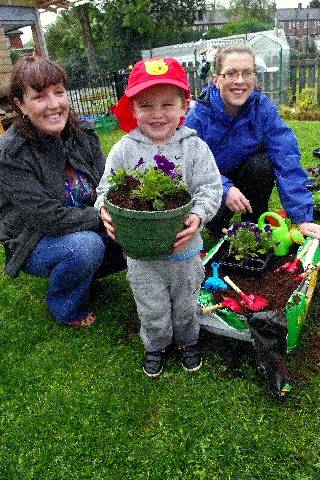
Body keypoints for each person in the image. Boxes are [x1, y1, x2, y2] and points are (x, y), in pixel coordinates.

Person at [95, 57, 222, 377]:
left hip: (185, 248)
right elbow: (105, 189)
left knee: (185, 302)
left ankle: (187, 342)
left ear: (184, 106)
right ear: (133, 108)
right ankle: (156, 345)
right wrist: (104, 209)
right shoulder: (124, 150)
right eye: (146, 104)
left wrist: (198, 214)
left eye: (168, 103)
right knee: (151, 304)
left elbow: (210, 187)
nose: (157, 113)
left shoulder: (195, 148)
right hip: (140, 254)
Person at [0, 56, 126, 327]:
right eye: (40, 97)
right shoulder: (11, 153)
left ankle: (87, 274)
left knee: (139, 230)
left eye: (59, 92)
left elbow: (107, 186)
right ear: (21, 105)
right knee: (85, 248)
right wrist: (106, 218)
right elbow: (47, 217)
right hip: (35, 238)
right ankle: (65, 305)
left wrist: (125, 216)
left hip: (89, 223)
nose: (54, 104)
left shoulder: (83, 134)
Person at [185, 44, 320, 241]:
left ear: (254, 77)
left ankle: (254, 223)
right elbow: (191, 166)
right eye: (231, 73)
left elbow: (286, 156)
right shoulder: (198, 117)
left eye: (247, 73)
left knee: (262, 164)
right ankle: (217, 223)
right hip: (212, 184)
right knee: (215, 222)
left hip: (246, 175)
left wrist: (302, 218)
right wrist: (225, 188)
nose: (240, 81)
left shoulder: (262, 108)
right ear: (216, 79)